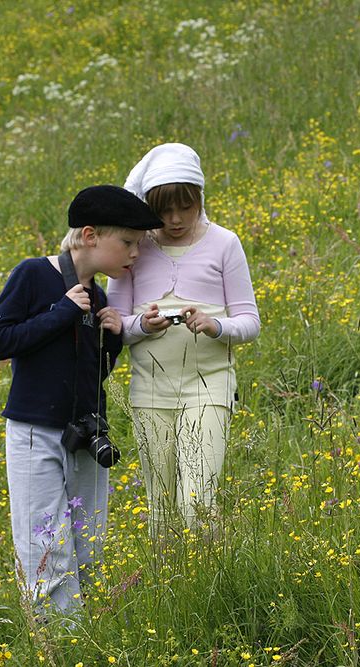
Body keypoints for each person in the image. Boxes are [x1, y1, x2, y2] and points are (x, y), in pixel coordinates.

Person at [0, 184, 162, 615]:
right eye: (128, 242)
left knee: (88, 540)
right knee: (45, 541)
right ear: (89, 235)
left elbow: (92, 373)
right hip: (34, 431)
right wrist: (60, 312)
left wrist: (114, 337)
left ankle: (86, 638)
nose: (135, 253)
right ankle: (57, 645)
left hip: (84, 433)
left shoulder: (98, 297)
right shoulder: (32, 274)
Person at [107, 143, 260, 534]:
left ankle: (210, 583)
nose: (175, 219)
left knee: (197, 502)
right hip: (150, 391)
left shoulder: (225, 243)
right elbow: (113, 324)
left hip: (209, 387)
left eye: (185, 207)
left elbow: (250, 321)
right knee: (160, 507)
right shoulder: (134, 248)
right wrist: (143, 325)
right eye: (163, 210)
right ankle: (169, 587)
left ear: (200, 199)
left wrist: (215, 326)